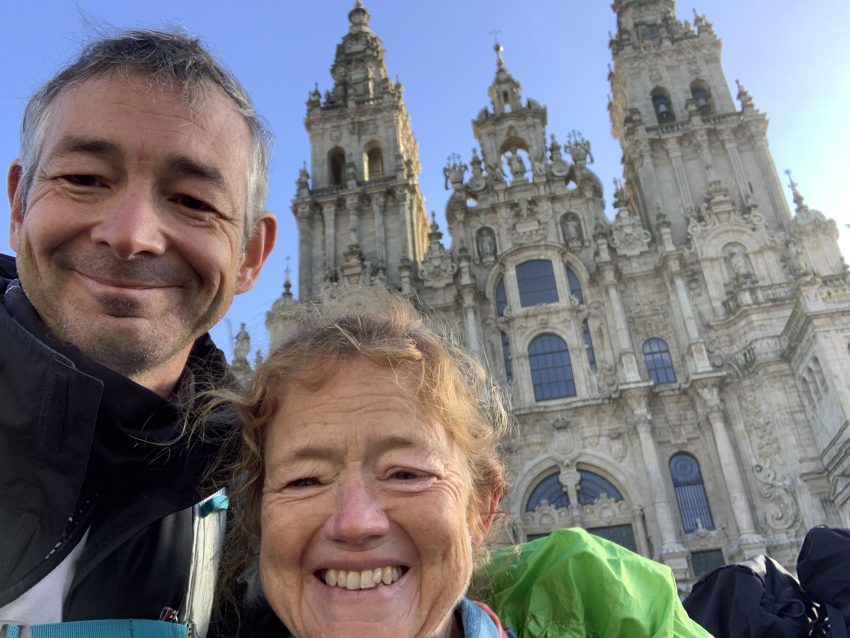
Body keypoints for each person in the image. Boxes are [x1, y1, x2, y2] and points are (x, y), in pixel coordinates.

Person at [212, 290, 711, 637]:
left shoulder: (609, 605)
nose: (356, 522)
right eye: (305, 480)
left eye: (406, 473)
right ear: (256, 517)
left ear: (483, 508)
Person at [0, 29, 276, 635]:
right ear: (19, 205)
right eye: (85, 178)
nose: (131, 235)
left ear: (251, 253)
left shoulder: (267, 487)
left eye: (192, 201)